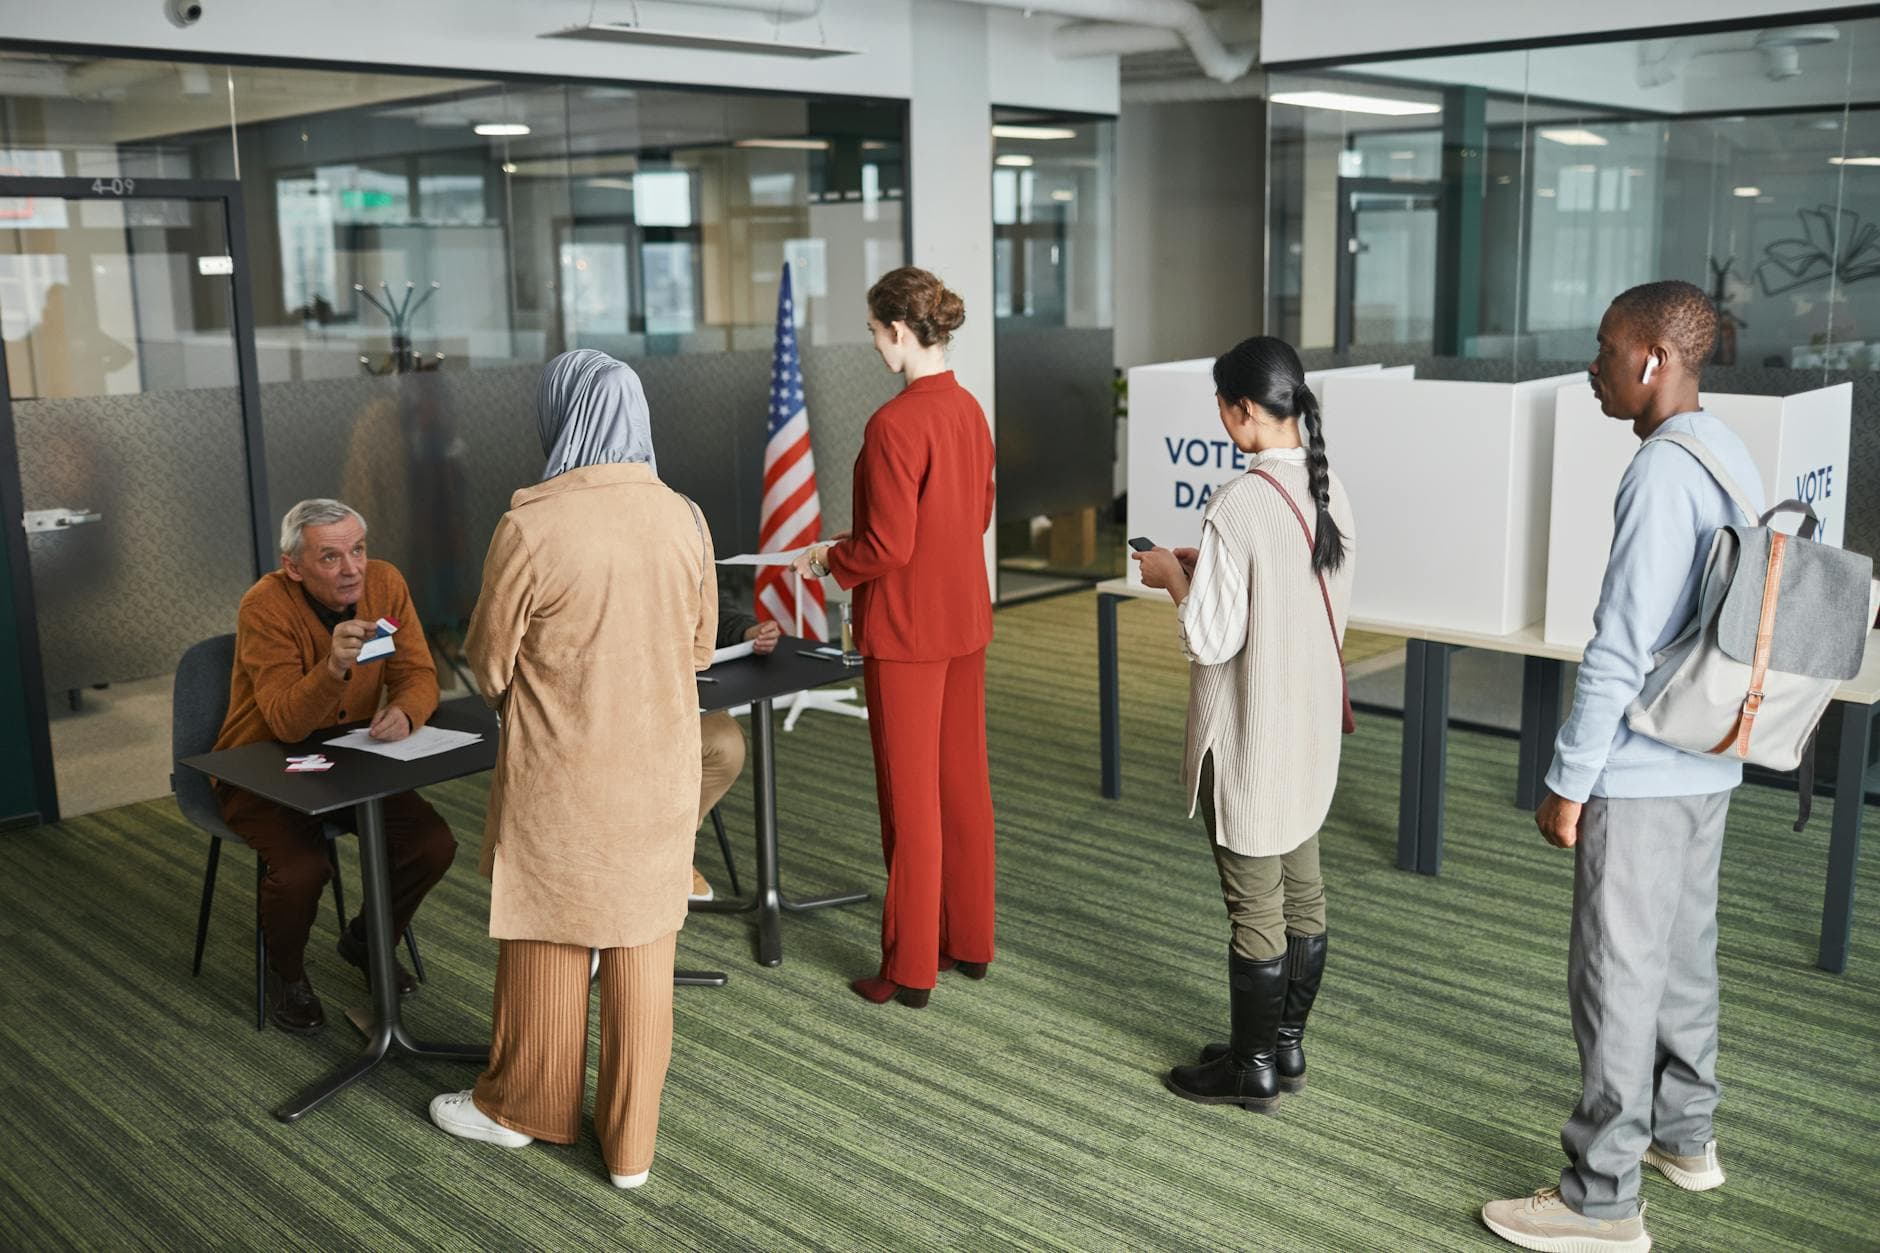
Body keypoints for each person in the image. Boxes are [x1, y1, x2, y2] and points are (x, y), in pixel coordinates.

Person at [1481, 281, 1765, 1253]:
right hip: (1708, 755)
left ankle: (1599, 1198)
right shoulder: (1723, 449)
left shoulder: (1657, 473)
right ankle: (1684, 1136)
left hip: (1641, 768)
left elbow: (1618, 645)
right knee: (1683, 955)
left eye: (1604, 349)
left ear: (1651, 360)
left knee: (1614, 973)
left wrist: (1567, 777)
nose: (1591, 366)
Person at [429, 349, 715, 1190]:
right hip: (662, 772)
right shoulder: (683, 517)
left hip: (566, 775)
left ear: (561, 415)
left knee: (548, 938)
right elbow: (700, 649)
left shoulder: (532, 524)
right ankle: (630, 1150)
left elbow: (487, 663)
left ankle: (522, 1108)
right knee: (641, 952)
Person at [1132, 336, 1355, 1113]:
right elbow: (1289, 599)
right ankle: (1283, 1046)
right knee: (1304, 895)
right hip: (1307, 729)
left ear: (1244, 410)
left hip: (1252, 738)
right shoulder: (1331, 491)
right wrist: (1211, 569)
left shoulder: (1237, 503)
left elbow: (1211, 638)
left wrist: (1170, 579)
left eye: (1222, 408)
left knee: (1255, 907)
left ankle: (1251, 1069)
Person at [791, 266, 996, 1008]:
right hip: (963, 619)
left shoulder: (893, 424)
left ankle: (910, 968)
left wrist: (830, 558)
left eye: (877, 333)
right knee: (963, 787)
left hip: (906, 631)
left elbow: (887, 548)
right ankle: (969, 942)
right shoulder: (969, 411)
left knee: (909, 802)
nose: (876, 345)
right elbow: (973, 514)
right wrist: (876, 541)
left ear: (901, 333)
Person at [214, 498, 458, 1034]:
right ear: (293, 567)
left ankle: (367, 941)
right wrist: (334, 667)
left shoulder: (386, 584)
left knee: (431, 843)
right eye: (330, 558)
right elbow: (283, 722)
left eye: (358, 551)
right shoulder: (265, 606)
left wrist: (405, 710)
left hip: (349, 755)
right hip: (259, 765)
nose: (351, 569)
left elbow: (418, 673)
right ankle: (287, 974)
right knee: (305, 868)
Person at [690, 609, 781, 902]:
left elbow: (708, 605)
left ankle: (670, 853)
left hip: (669, 693)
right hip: (592, 695)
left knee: (726, 743)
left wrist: (746, 632)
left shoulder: (686, 560)